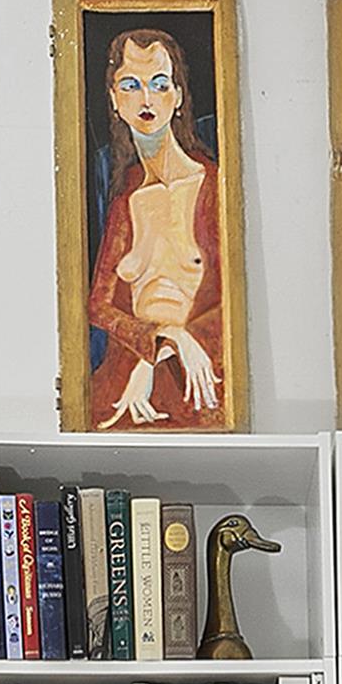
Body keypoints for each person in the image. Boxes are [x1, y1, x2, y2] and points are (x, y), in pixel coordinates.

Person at [86, 26, 225, 429]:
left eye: (160, 84)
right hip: (124, 382)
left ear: (178, 96)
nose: (146, 99)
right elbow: (98, 305)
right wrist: (162, 337)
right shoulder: (125, 199)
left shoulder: (212, 186)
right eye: (131, 85)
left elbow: (232, 300)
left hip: (197, 382)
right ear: (115, 100)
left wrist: (169, 348)